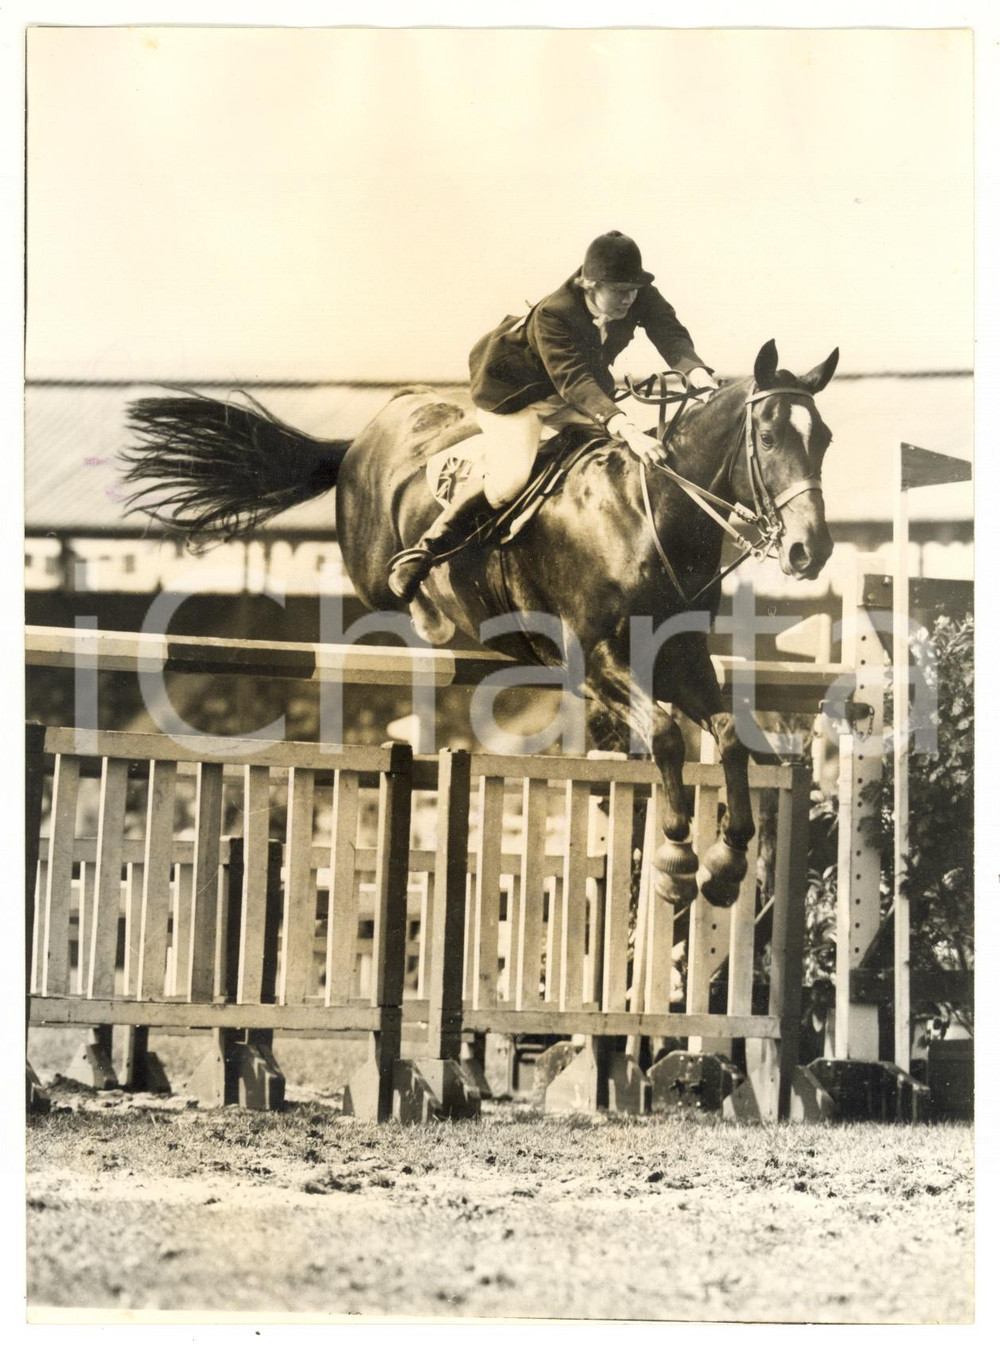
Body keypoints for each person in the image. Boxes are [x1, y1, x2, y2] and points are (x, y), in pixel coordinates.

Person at [388, 230, 717, 602]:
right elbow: (573, 380)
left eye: (633, 289)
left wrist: (700, 376)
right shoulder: (555, 313)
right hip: (516, 395)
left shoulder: (637, 295)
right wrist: (626, 427)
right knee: (510, 481)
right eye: (619, 290)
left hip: (576, 391)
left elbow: (670, 333)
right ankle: (423, 553)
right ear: (589, 285)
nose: (629, 298)